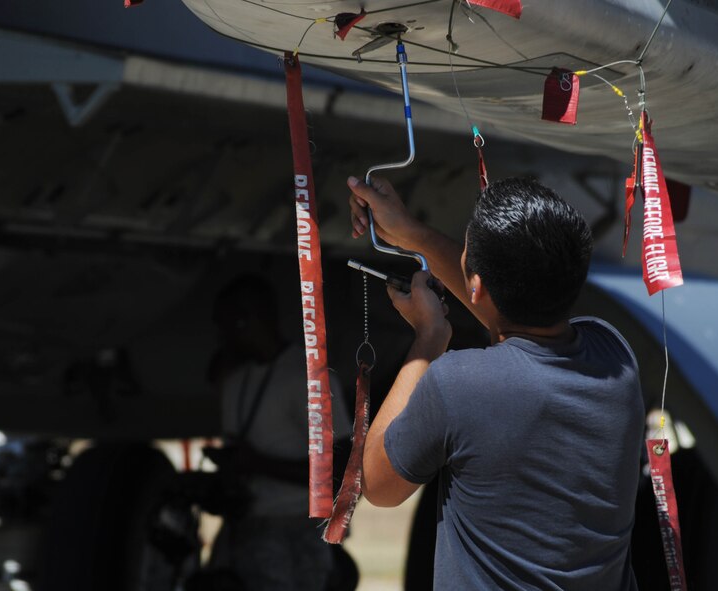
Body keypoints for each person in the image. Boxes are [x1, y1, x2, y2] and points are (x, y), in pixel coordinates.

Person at [347, 176, 645, 590]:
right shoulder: (613, 354)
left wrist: (429, 339)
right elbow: (511, 316)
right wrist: (412, 234)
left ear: (476, 282)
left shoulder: (458, 383)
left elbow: (379, 486)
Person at [205, 274, 355, 591]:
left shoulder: (308, 377)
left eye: (227, 325)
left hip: (296, 535)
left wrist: (258, 464)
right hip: (246, 530)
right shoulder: (235, 379)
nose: (220, 336)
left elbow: (340, 474)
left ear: (249, 320)